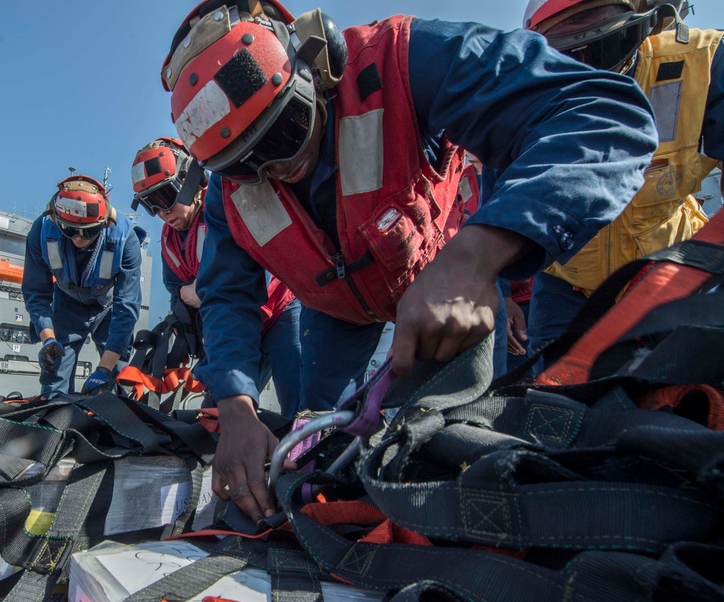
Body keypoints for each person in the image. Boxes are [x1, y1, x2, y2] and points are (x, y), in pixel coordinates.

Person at [161, 0, 658, 520]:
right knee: (317, 442)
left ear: (316, 66)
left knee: (472, 438)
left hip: (448, 282)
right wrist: (237, 404)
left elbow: (601, 112)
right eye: (247, 166)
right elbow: (227, 295)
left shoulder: (403, 60)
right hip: (335, 313)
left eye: (285, 135)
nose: (280, 170)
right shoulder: (228, 191)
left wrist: (478, 255)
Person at [520, 0, 723, 368]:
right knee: (549, 399)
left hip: (670, 275)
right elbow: (499, 199)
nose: (585, 69)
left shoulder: (705, 64)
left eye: (599, 49)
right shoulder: (524, 93)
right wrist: (498, 291)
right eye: (567, 57)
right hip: (565, 288)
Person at [131, 137, 303, 417]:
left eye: (164, 197)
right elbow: (180, 297)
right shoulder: (169, 242)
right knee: (216, 417)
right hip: (230, 326)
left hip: (280, 312)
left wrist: (200, 290)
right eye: (151, 205)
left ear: (192, 181)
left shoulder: (232, 202)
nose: (162, 213)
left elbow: (254, 272)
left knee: (301, 409)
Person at [22, 174, 143, 398]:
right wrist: (48, 339)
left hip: (108, 308)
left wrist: (104, 369)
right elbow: (36, 293)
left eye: (88, 231)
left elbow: (127, 305)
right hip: (66, 304)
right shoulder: (41, 232)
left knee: (117, 378)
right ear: (57, 221)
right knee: (54, 372)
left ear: (104, 223)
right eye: (70, 231)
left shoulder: (125, 238)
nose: (79, 238)